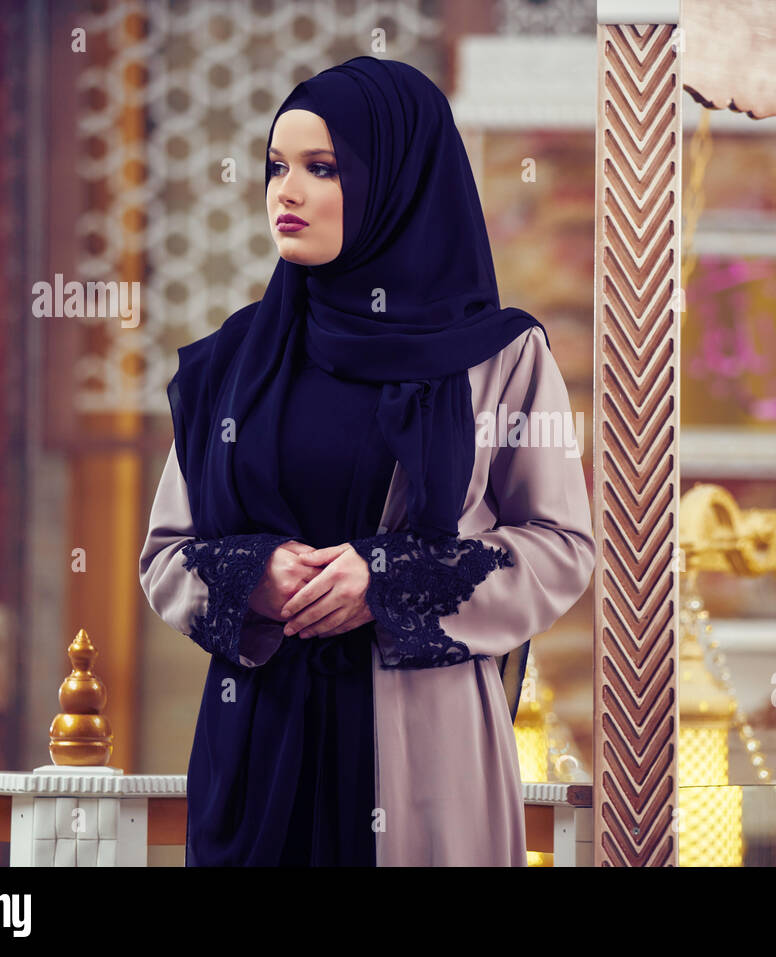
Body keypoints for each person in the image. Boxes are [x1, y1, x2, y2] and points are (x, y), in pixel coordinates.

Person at [138, 56, 595, 866]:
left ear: (399, 183)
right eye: (277, 167)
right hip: (260, 747)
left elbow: (562, 548)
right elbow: (167, 557)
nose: (286, 191)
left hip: (424, 748)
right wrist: (257, 575)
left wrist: (383, 581)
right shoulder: (236, 360)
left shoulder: (499, 357)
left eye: (323, 168)